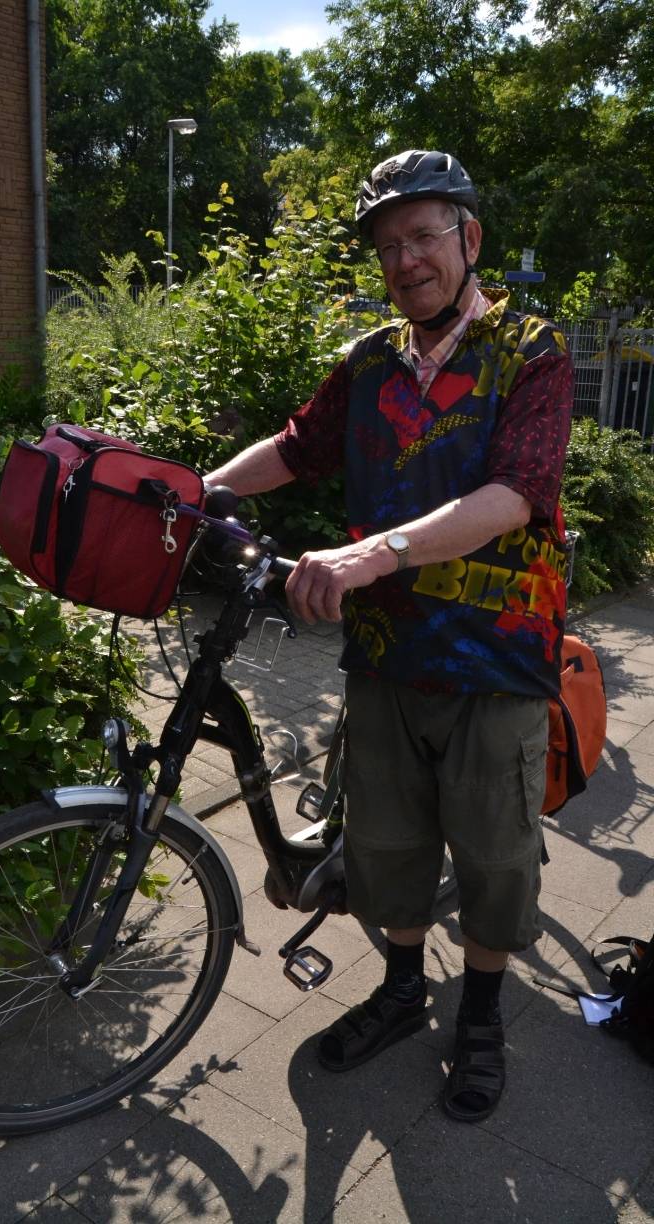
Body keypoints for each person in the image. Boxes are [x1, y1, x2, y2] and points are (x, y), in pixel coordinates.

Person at [204, 148, 573, 1122]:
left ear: (469, 237)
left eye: (424, 235)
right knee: (389, 847)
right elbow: (295, 449)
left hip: (497, 660)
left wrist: (363, 559)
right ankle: (404, 991)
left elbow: (513, 496)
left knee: (495, 858)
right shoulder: (368, 364)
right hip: (385, 658)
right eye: (387, 244)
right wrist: (195, 491)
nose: (406, 259)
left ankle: (482, 1014)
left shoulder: (534, 349)